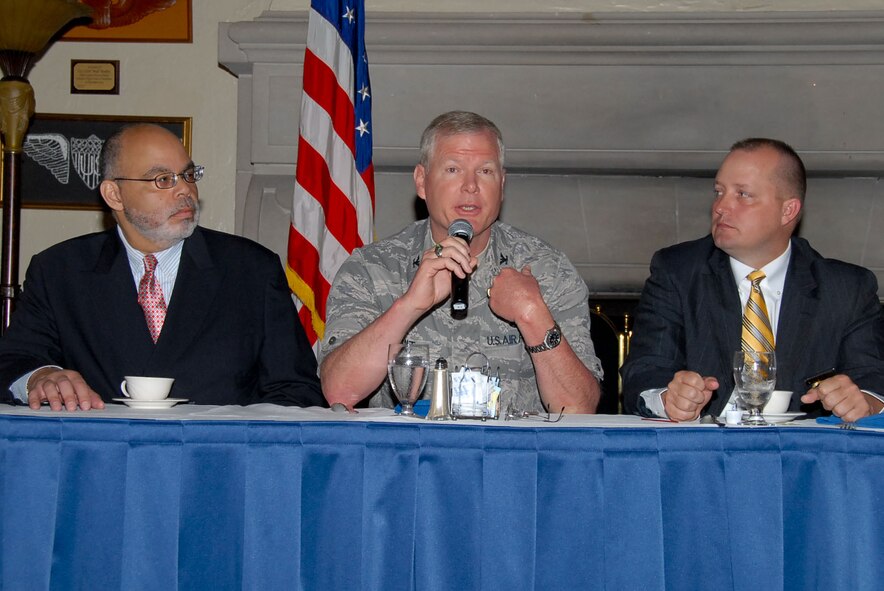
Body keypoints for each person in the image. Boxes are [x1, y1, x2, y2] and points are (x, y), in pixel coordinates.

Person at [0, 123, 324, 410]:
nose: (185, 189)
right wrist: (41, 377)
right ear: (114, 195)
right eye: (163, 179)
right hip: (100, 464)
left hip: (214, 464)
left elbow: (295, 390)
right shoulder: (59, 272)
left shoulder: (251, 270)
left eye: (188, 174)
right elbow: (13, 362)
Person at [319, 111, 602, 413]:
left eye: (485, 171)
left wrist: (533, 315)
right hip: (404, 456)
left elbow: (577, 409)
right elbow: (340, 390)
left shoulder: (546, 270)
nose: (471, 186)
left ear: (502, 184)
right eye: (453, 169)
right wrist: (409, 305)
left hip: (509, 456)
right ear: (422, 182)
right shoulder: (371, 269)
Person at [622, 138, 884, 422]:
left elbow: (872, 378)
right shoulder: (678, 272)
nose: (721, 206)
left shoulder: (847, 288)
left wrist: (864, 401)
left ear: (788, 211)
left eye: (742, 194)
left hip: (806, 458)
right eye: (719, 192)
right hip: (703, 455)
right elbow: (645, 371)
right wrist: (668, 397)